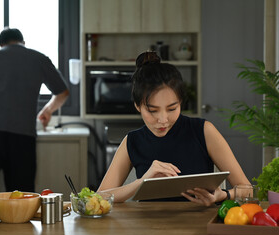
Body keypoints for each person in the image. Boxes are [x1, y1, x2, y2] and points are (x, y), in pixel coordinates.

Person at [97, 51, 250, 206]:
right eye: (153, 110)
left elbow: (247, 190)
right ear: (138, 106)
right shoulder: (132, 141)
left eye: (171, 109)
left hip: (199, 226)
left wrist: (222, 195)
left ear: (180, 102)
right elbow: (99, 197)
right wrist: (142, 182)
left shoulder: (204, 131)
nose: (163, 120)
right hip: (147, 227)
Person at [0, 28, 69, 192]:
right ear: (23, 42)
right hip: (22, 136)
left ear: (1, 44)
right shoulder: (39, 58)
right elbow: (63, 92)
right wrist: (47, 111)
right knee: (21, 195)